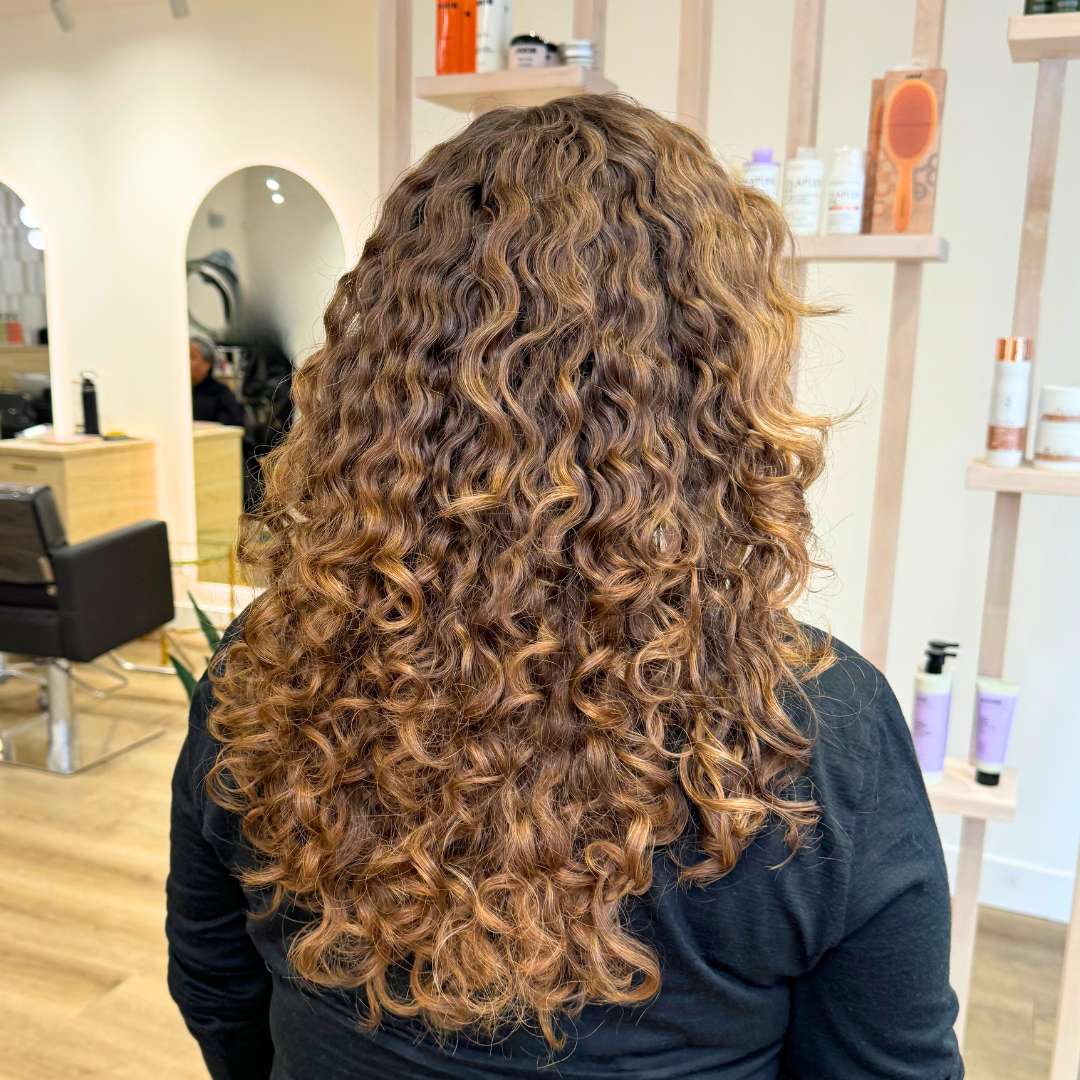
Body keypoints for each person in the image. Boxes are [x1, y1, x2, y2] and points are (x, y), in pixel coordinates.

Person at [167, 95, 963, 1080]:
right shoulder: (814, 732)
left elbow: (217, 987)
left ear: (381, 380)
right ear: (715, 387)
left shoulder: (270, 669)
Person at [190, 336, 245, 426]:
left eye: (191, 357)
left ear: (207, 364)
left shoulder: (221, 394)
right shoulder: (178, 393)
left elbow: (232, 425)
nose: (185, 362)